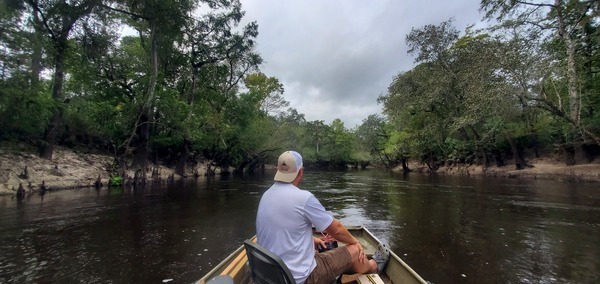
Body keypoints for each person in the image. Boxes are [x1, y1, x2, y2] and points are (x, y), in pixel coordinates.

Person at [255, 150, 388, 284]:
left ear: (278, 169)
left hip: (272, 276)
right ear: (301, 171)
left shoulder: (266, 195)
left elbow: (281, 228)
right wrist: (355, 242)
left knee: (322, 250)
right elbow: (336, 229)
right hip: (301, 279)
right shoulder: (304, 198)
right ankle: (374, 266)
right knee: (353, 251)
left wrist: (311, 239)